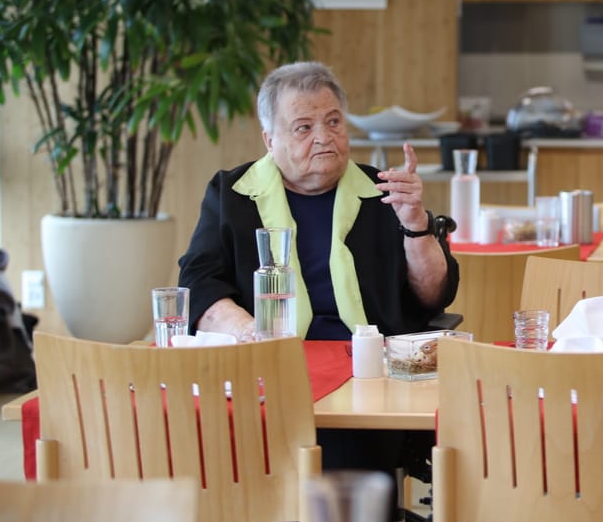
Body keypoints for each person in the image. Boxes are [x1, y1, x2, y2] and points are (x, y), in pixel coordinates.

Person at [177, 60, 459, 488]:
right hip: (265, 378)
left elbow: (434, 295)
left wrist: (415, 223)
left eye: (333, 121)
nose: (324, 137)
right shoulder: (232, 195)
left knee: (345, 484)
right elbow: (198, 283)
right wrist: (249, 331)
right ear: (270, 140)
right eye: (303, 127)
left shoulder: (382, 192)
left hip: (366, 384)